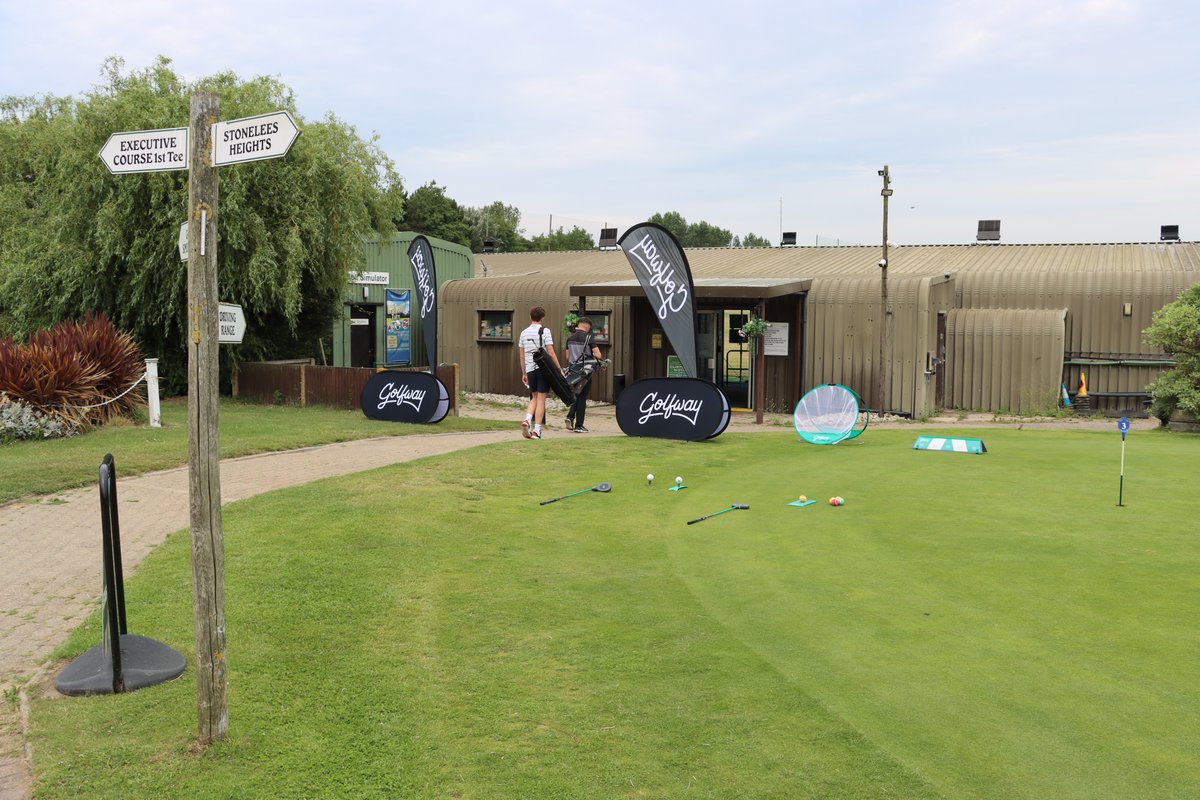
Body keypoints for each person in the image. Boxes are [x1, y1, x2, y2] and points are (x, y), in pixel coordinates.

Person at [517, 306, 563, 440]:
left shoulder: (523, 333)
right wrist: (559, 369)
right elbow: (550, 352)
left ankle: (527, 419)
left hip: (530, 369)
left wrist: (524, 373)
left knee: (534, 397)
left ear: (531, 317)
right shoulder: (545, 331)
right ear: (542, 318)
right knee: (541, 399)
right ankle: (536, 430)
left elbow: (521, 355)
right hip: (543, 369)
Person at [563, 316, 603, 432]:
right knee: (582, 397)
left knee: (576, 395)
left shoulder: (569, 339)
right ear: (587, 326)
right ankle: (579, 426)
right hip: (585, 372)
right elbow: (598, 355)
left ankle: (570, 417)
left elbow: (567, 356)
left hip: (573, 372)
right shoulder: (589, 338)